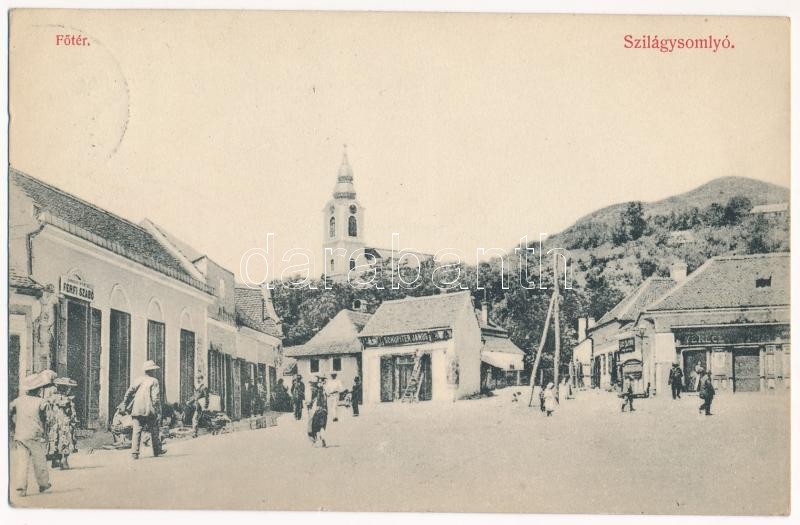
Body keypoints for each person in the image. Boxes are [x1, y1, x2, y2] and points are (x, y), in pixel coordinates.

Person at [10, 372, 52, 497]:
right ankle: (43, 484)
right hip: (35, 435)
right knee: (39, 460)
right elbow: (47, 417)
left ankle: (21, 487)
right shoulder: (41, 402)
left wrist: (13, 426)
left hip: (20, 434)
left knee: (22, 460)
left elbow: (10, 413)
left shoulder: (17, 401)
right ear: (38, 389)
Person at [120, 360, 165, 460]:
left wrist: (125, 403)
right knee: (154, 429)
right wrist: (158, 411)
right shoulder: (154, 381)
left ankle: (134, 453)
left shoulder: (137, 380)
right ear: (152, 371)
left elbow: (128, 393)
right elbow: (155, 398)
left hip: (137, 410)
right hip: (149, 410)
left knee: (136, 431)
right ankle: (157, 450)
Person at [45, 377, 78, 469]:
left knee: (55, 440)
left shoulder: (52, 399)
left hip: (54, 423)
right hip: (64, 423)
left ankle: (55, 461)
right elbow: (71, 413)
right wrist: (73, 421)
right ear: (65, 389)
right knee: (64, 441)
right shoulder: (67, 400)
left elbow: (48, 412)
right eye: (69, 388)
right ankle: (64, 461)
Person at [307, 376, 328, 447]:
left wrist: (308, 404)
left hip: (314, 410)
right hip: (323, 410)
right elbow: (325, 400)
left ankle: (314, 441)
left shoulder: (311, 390)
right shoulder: (322, 390)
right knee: (321, 426)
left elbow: (309, 401)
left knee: (311, 426)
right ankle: (322, 438)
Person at [190, 373, 209, 438]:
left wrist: (205, 406)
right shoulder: (198, 388)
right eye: (197, 379)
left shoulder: (204, 388)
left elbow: (207, 398)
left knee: (194, 419)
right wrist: (189, 402)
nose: (198, 380)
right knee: (198, 419)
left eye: (199, 379)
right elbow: (195, 397)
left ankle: (194, 433)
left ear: (202, 379)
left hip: (201, 406)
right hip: (197, 406)